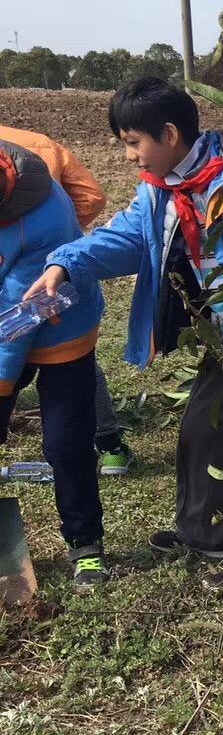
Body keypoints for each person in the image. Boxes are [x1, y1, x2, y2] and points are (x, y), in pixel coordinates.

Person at [30, 78, 223, 588]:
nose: (132, 156)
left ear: (170, 134)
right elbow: (126, 239)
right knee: (202, 430)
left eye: (135, 143)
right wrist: (66, 263)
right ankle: (202, 534)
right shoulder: (161, 192)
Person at [0, 122, 136, 474]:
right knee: (75, 373)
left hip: (40, 297)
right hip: (53, 292)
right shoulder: (37, 140)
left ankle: (104, 441)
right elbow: (91, 195)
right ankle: (108, 441)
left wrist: (51, 248)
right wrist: (67, 238)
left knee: (59, 368)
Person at [0, 142, 107, 587]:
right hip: (8, 322)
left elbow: (17, 319)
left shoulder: (43, 218)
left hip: (60, 327)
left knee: (66, 443)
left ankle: (85, 544)